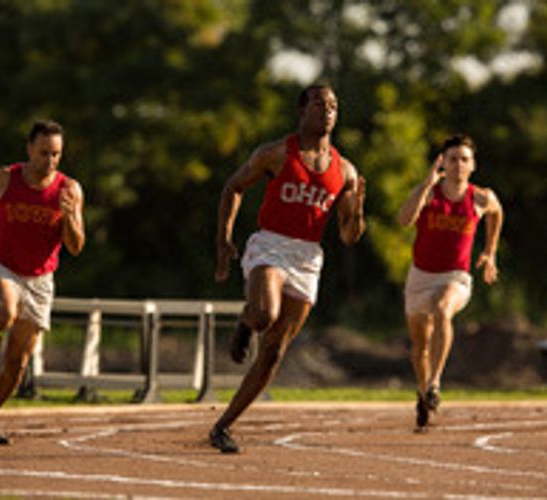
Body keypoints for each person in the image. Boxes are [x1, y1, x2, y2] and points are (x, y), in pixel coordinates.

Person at [210, 84, 366, 453]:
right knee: (265, 314)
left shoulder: (346, 171)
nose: (327, 110)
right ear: (302, 111)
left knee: (274, 351)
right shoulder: (277, 153)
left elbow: (348, 236)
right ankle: (247, 322)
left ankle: (222, 426)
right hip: (271, 244)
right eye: (318, 103)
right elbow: (233, 187)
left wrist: (358, 210)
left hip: (308, 257)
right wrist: (223, 239)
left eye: (333, 105)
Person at [0, 119, 85, 445]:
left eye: (56, 154)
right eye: (43, 153)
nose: (50, 161)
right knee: (4, 312)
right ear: (28, 150)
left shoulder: (70, 190)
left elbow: (76, 248)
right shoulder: (3, 179)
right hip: (2, 267)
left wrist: (70, 217)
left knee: (18, 363)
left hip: (40, 279)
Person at [397, 134, 503, 430]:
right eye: (452, 159)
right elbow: (404, 219)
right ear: (442, 162)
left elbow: (497, 213)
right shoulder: (430, 194)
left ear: (473, 165)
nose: (458, 165)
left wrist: (490, 252)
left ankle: (434, 383)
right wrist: (426, 184)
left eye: (464, 159)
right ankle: (422, 392)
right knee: (420, 348)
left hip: (456, 276)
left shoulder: (481, 197)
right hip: (420, 275)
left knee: (443, 308)